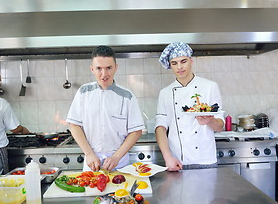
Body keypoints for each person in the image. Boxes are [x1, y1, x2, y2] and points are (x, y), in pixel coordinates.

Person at [66, 46, 144, 172]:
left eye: (109, 68)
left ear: (116, 68)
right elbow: (74, 125)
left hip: (119, 165)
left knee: (120, 192)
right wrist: (89, 154)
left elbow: (136, 131)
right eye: (98, 69)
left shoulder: (127, 96)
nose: (104, 74)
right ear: (92, 69)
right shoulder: (83, 92)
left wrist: (116, 157)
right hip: (92, 163)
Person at [155, 42, 224, 171]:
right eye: (174, 63)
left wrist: (210, 121)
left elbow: (220, 127)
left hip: (206, 160)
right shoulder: (165, 93)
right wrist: (167, 157)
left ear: (191, 61)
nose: (179, 67)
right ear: (170, 65)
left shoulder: (210, 87)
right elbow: (160, 128)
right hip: (177, 161)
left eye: (183, 61)